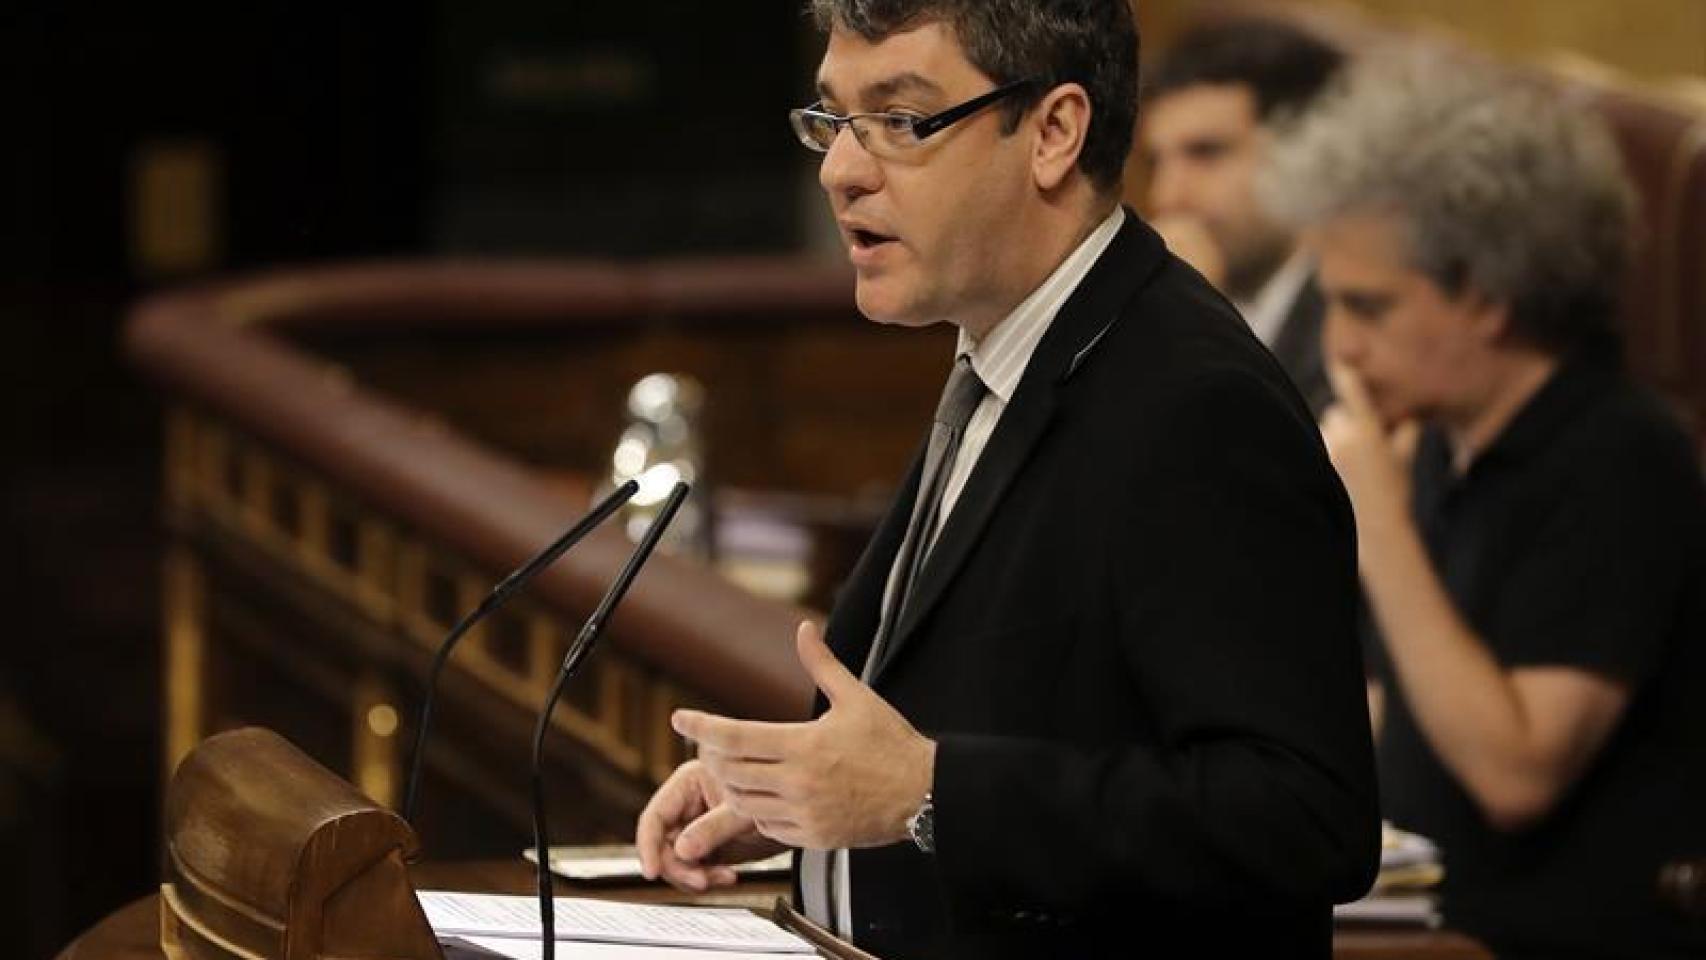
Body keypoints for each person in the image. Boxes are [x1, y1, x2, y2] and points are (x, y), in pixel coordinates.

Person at [637, 2, 1380, 956]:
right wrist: (802, 789)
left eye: (902, 123)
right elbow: (1007, 699)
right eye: (832, 120)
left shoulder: (1196, 405)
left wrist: (928, 794)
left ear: (1054, 132)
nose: (841, 170)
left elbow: (1304, 819)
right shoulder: (1009, 347)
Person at [1265, 48, 1706, 959]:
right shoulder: (1435, 438)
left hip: (1547, 929)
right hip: (1412, 895)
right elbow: (1378, 711)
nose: (1339, 347)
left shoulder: (1621, 458)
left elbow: (1515, 772)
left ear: (1489, 300)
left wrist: (1377, 522)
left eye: (1370, 308)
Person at [1139, 19, 1345, 415]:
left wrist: (1198, 326)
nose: (1166, 196)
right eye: (1155, 164)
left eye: (1206, 152)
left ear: (1304, 152)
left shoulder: (1354, 323)